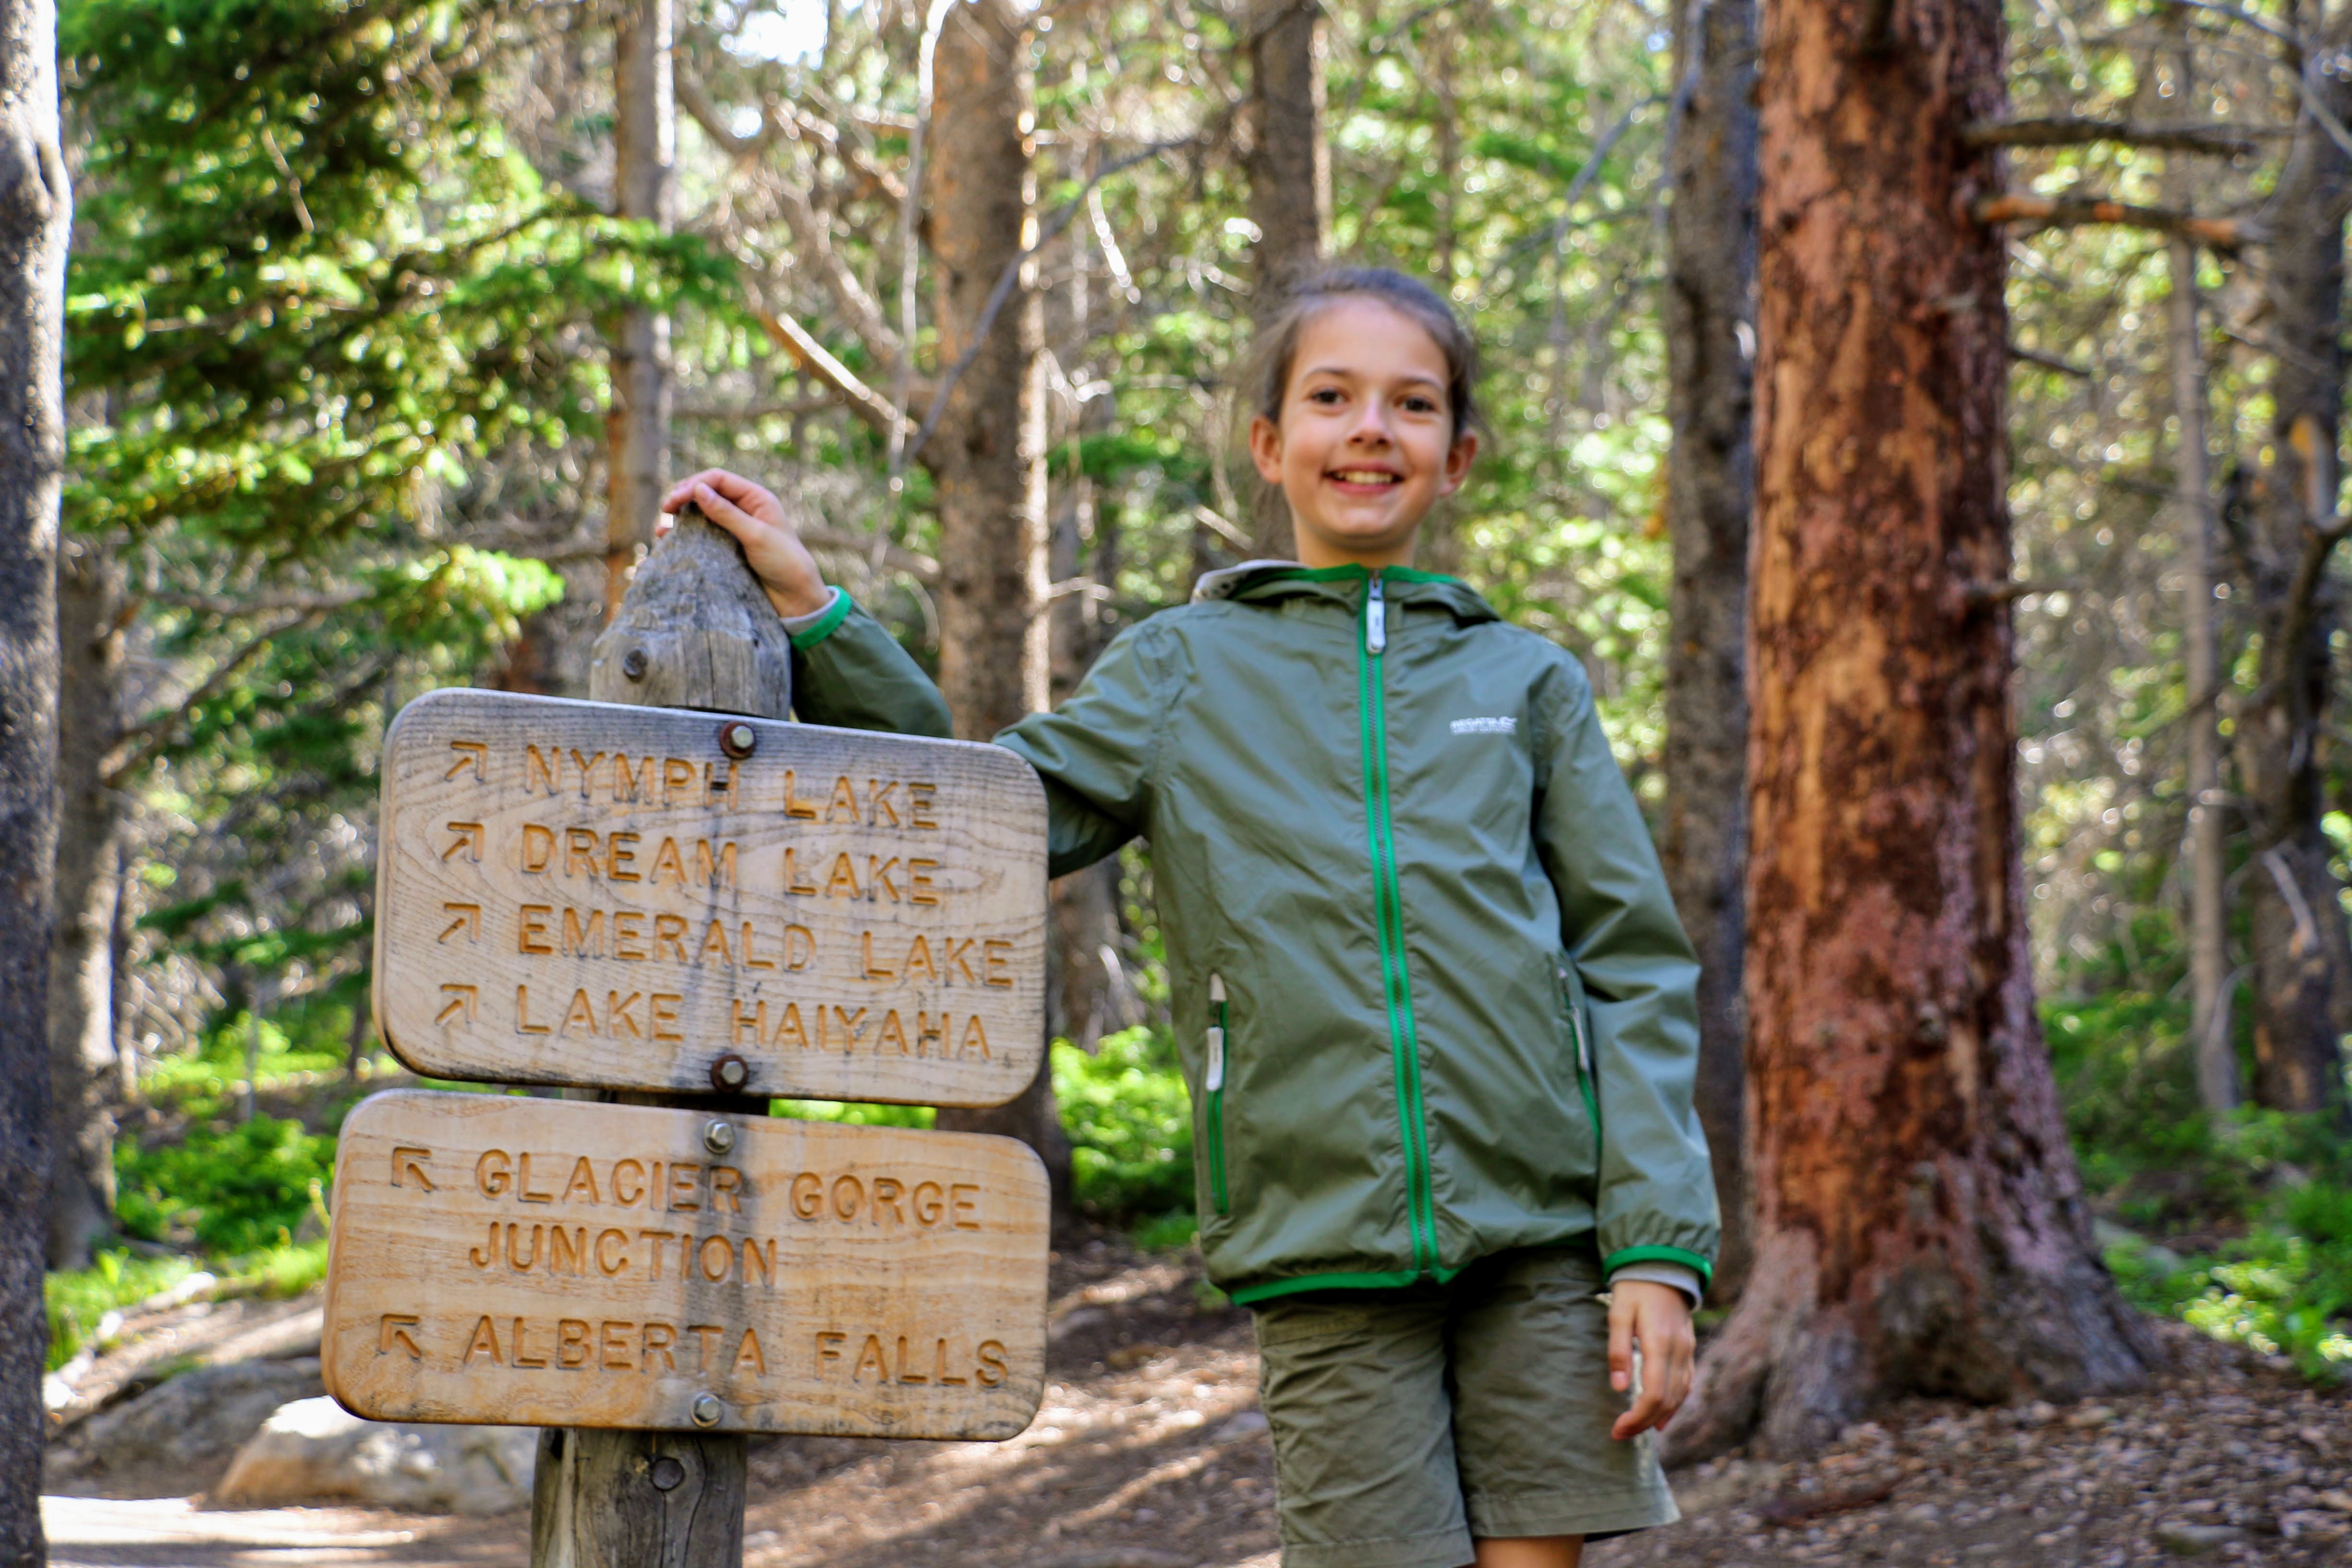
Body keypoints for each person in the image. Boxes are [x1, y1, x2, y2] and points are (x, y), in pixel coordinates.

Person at [661, 266, 1716, 1568]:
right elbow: (987, 808)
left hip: (1547, 1237)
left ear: (1458, 455)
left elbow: (1633, 964)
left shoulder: (1528, 681)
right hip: (1318, 1230)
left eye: (1412, 403)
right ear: (1272, 445)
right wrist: (820, 615)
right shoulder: (1182, 669)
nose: (1371, 428)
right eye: (1331, 397)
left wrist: (1657, 1250)